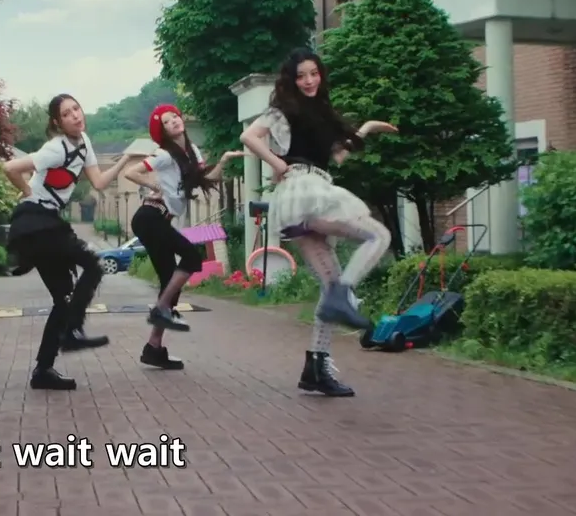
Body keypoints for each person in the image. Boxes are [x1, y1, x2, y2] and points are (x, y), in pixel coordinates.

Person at [240, 48, 398, 397]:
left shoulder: (324, 113)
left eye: (313, 73)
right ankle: (344, 296)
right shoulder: (283, 109)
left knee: (329, 286)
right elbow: (249, 136)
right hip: (304, 189)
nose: (309, 81)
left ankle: (315, 368)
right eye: (301, 76)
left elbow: (338, 155)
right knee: (378, 235)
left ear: (321, 75)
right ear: (291, 80)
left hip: (311, 190)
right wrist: (277, 164)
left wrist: (367, 128)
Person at [2, 94, 138, 390]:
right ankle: (72, 332)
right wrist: (28, 192)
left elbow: (99, 183)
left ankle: (43, 370)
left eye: (76, 108)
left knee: (63, 298)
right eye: (67, 113)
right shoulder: (56, 148)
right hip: (36, 221)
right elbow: (10, 168)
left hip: (46, 222)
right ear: (57, 122)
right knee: (93, 265)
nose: (76, 115)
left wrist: (124, 162)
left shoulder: (84, 142)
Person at [125, 104, 243, 368]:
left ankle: (153, 348)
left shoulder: (192, 152)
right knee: (191, 257)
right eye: (167, 122)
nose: (174, 121)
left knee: (171, 283)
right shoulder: (164, 154)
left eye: (175, 117)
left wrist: (223, 161)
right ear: (164, 131)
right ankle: (161, 311)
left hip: (159, 220)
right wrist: (153, 185)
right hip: (150, 217)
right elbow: (130, 172)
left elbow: (207, 179)